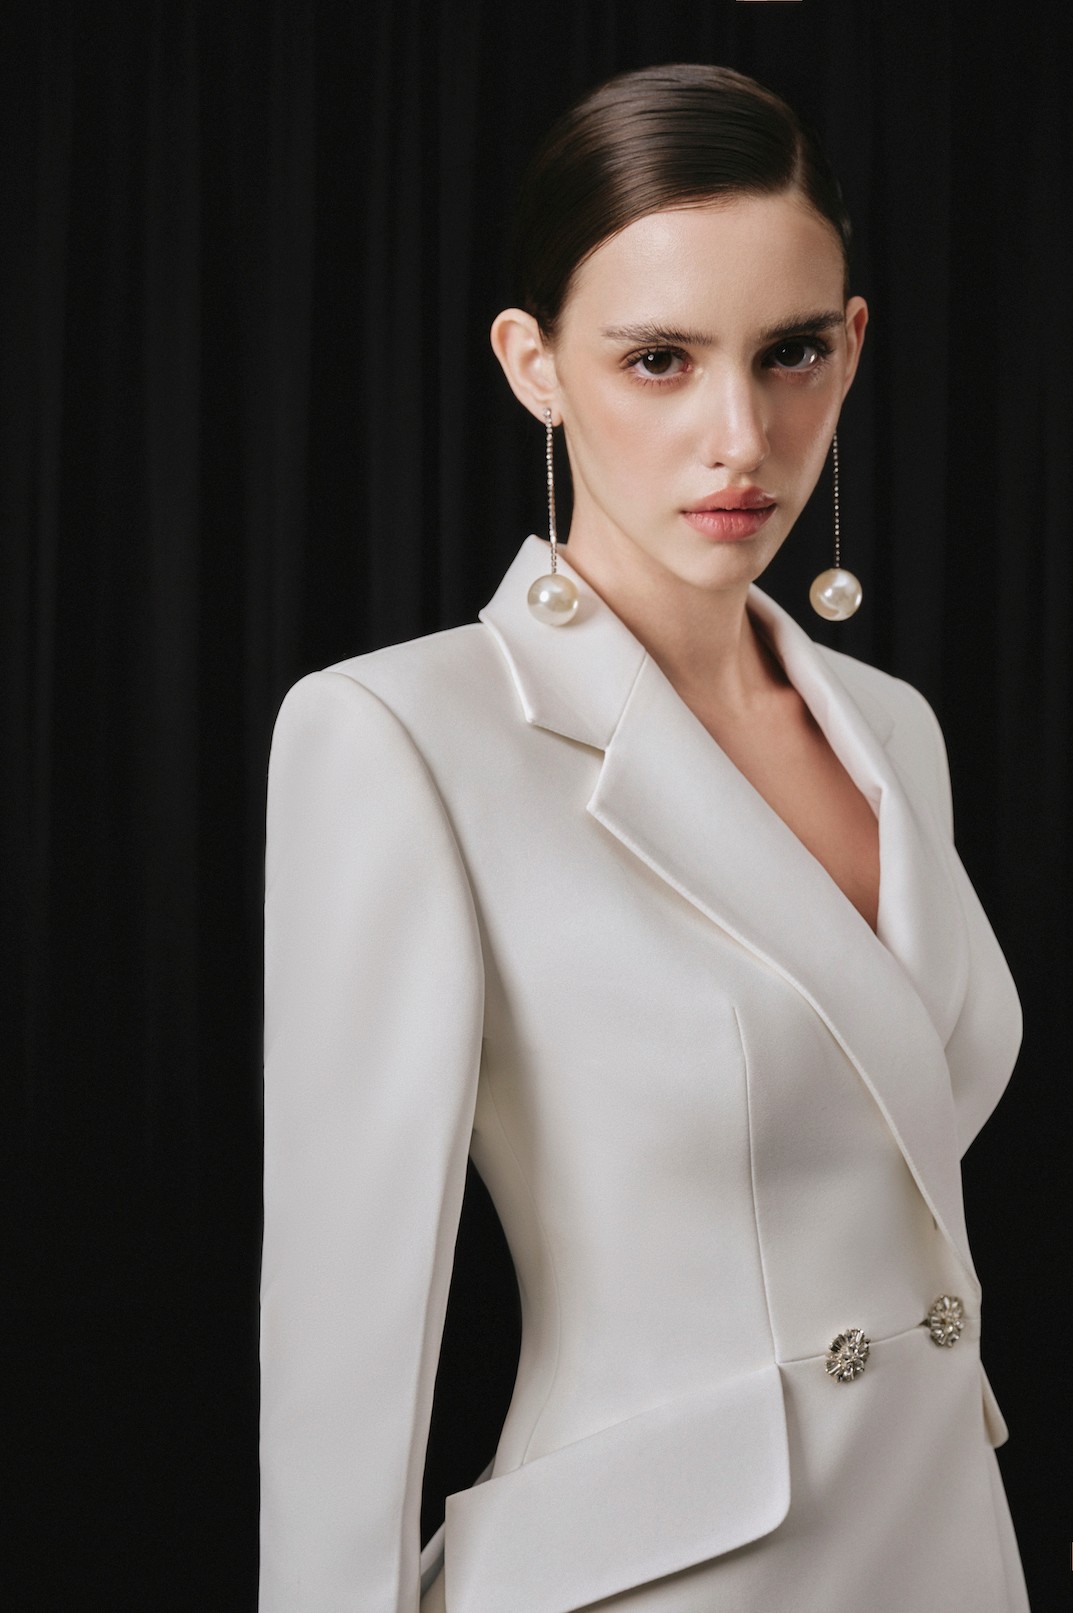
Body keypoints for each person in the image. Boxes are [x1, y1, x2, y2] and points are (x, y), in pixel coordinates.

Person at [259, 63, 1029, 1612]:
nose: (739, 435)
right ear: (533, 364)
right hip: (667, 1574)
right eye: (659, 359)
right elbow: (346, 1340)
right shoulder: (400, 734)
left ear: (851, 344)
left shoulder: (892, 732)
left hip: (939, 1543)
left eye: (790, 352)